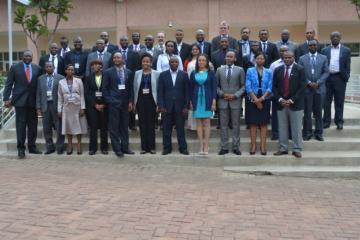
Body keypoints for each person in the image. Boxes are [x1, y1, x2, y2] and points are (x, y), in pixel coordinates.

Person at [3, 50, 42, 159]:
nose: (27, 57)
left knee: (33, 126)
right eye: (26, 56)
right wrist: (6, 98)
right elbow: (9, 83)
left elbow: (39, 85)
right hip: (20, 101)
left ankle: (32, 147)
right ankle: (21, 149)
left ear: (32, 57)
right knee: (20, 126)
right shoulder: (15, 68)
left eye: (29, 56)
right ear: (22, 57)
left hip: (33, 101)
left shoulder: (37, 68)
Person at [273, 51, 306, 158]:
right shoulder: (278, 70)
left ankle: (296, 149)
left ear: (294, 58)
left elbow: (302, 87)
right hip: (281, 104)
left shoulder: (300, 69)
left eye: (289, 57)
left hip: (295, 104)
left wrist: (291, 100)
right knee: (282, 127)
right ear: (282, 58)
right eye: (285, 57)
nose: (287, 59)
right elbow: (274, 87)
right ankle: (283, 148)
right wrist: (280, 99)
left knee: (296, 127)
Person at [102, 52, 134, 157]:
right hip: (113, 104)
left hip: (125, 104)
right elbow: (105, 89)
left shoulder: (128, 72)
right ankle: (117, 149)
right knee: (114, 127)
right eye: (114, 57)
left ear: (123, 59)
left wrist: (130, 101)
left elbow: (130, 89)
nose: (116, 59)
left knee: (124, 126)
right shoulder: (108, 72)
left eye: (118, 57)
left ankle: (125, 147)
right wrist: (111, 101)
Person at [158, 56, 190, 155]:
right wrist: (161, 106)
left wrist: (186, 106)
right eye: (172, 62)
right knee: (166, 130)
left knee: (180, 130)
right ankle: (167, 148)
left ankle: (183, 148)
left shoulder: (184, 75)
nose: (174, 64)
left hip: (180, 108)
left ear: (178, 63)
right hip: (166, 108)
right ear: (169, 63)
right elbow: (160, 92)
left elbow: (187, 92)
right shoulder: (163, 75)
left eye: (176, 62)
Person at [298, 40, 329, 141]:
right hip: (307, 89)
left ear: (317, 46)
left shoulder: (323, 58)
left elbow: (326, 72)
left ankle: (319, 133)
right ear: (308, 46)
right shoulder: (302, 58)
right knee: (307, 112)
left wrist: (318, 82)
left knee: (319, 112)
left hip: (319, 89)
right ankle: (307, 132)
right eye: (310, 45)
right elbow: (300, 72)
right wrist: (308, 82)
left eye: (314, 45)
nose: (312, 46)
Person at [216, 51, 245, 155]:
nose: (228, 58)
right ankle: (224, 147)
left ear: (235, 59)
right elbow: (216, 86)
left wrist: (235, 95)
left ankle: (236, 147)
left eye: (231, 57)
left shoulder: (240, 70)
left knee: (236, 125)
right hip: (223, 101)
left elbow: (243, 86)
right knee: (223, 125)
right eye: (227, 56)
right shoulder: (219, 70)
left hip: (235, 101)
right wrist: (222, 94)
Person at [321, 32, 351, 130]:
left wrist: (346, 77)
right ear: (330, 38)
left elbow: (347, 65)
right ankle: (326, 121)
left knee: (339, 101)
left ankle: (339, 122)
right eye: (333, 36)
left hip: (340, 78)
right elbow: (322, 65)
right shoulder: (324, 50)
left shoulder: (346, 50)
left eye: (337, 36)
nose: (335, 38)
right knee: (326, 101)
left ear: (340, 38)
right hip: (327, 78)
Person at [245, 52, 273, 155]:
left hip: (265, 99)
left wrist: (261, 99)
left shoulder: (269, 71)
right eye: (258, 58)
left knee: (263, 124)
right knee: (253, 124)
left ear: (264, 60)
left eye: (262, 58)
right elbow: (248, 86)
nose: (260, 60)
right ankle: (253, 145)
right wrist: (256, 100)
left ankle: (263, 146)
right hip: (252, 99)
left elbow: (270, 87)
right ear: (255, 60)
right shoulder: (250, 70)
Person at [190, 54, 217, 155]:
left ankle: (206, 145)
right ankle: (201, 145)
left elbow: (214, 88)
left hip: (208, 100)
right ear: (197, 62)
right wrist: (191, 101)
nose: (201, 62)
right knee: (198, 123)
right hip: (196, 100)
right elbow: (190, 88)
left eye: (203, 60)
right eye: (199, 60)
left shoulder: (211, 73)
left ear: (207, 62)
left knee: (206, 122)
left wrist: (214, 101)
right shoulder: (193, 73)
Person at [58, 64, 87, 155]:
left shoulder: (78, 81)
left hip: (77, 107)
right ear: (65, 71)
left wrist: (83, 108)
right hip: (66, 107)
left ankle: (79, 144)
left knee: (79, 126)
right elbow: (60, 97)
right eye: (69, 69)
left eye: (72, 70)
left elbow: (82, 95)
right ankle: (70, 144)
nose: (71, 71)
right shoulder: (61, 82)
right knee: (68, 126)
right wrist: (59, 110)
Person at [133, 53, 160, 154]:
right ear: (141, 62)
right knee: (142, 124)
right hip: (140, 101)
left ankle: (152, 147)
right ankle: (144, 147)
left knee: (151, 125)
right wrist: (134, 102)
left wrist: (158, 104)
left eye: (148, 61)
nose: (146, 63)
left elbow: (158, 89)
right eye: (144, 61)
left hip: (152, 101)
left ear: (151, 63)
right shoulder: (137, 73)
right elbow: (135, 88)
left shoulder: (157, 74)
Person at [36, 62, 65, 155]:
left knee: (59, 127)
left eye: (50, 66)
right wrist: (38, 107)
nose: (49, 68)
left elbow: (63, 93)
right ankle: (50, 147)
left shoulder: (60, 78)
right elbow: (38, 94)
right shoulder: (40, 79)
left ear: (54, 67)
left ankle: (60, 147)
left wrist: (63, 106)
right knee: (46, 128)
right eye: (47, 67)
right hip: (45, 105)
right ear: (44, 68)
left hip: (56, 105)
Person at [84, 59, 109, 155]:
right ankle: (93, 148)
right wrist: (95, 105)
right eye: (93, 65)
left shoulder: (106, 76)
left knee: (104, 127)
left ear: (101, 66)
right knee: (93, 127)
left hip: (104, 105)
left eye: (97, 64)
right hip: (92, 106)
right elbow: (87, 93)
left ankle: (104, 148)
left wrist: (104, 104)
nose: (94, 66)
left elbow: (109, 90)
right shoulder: (88, 77)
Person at [269, 45, 289, 140]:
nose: (283, 52)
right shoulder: (274, 64)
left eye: (285, 50)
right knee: (276, 115)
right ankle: (275, 133)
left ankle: (288, 134)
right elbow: (271, 80)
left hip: (289, 94)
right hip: (277, 94)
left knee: (288, 115)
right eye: (281, 51)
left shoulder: (294, 63)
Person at [184, 44, 201, 131]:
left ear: (199, 50)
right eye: (193, 49)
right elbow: (185, 73)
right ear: (191, 51)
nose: (195, 51)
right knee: (192, 104)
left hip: (201, 85)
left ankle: (200, 125)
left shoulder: (203, 60)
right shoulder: (187, 61)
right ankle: (192, 126)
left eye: (196, 49)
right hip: (191, 85)